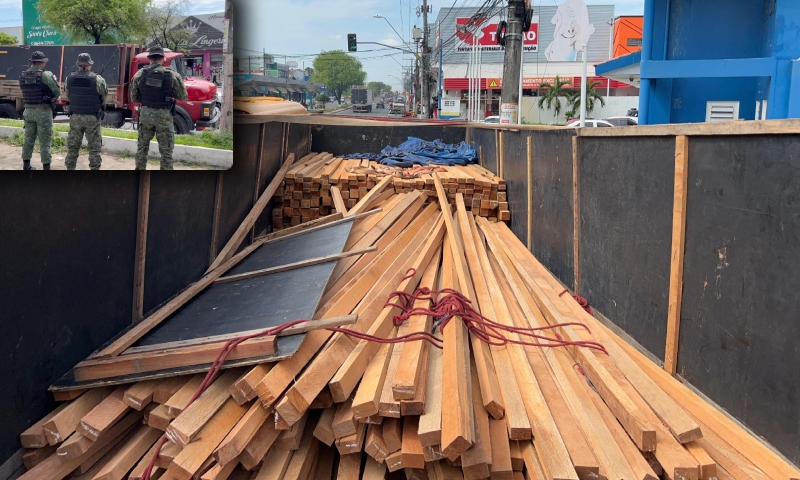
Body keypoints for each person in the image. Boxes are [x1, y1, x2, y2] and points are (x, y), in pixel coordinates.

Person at [130, 46, 188, 170]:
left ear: (149, 58)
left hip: (146, 115)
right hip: (164, 117)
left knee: (142, 149)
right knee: (166, 152)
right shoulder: (172, 75)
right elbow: (183, 97)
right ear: (163, 58)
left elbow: (134, 98)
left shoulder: (139, 74)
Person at [64, 53, 107, 170]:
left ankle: (70, 169)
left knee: (73, 147)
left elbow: (68, 96)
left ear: (78, 65)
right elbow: (103, 97)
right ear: (90, 65)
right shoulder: (98, 79)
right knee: (94, 147)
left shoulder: (69, 79)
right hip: (92, 116)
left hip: (75, 116)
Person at [19, 51, 60, 170]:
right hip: (43, 112)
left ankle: (26, 166)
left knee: (28, 139)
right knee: (45, 141)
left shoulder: (23, 75)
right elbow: (57, 92)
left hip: (28, 111)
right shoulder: (46, 75)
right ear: (42, 63)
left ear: (32, 62)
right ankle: (46, 168)